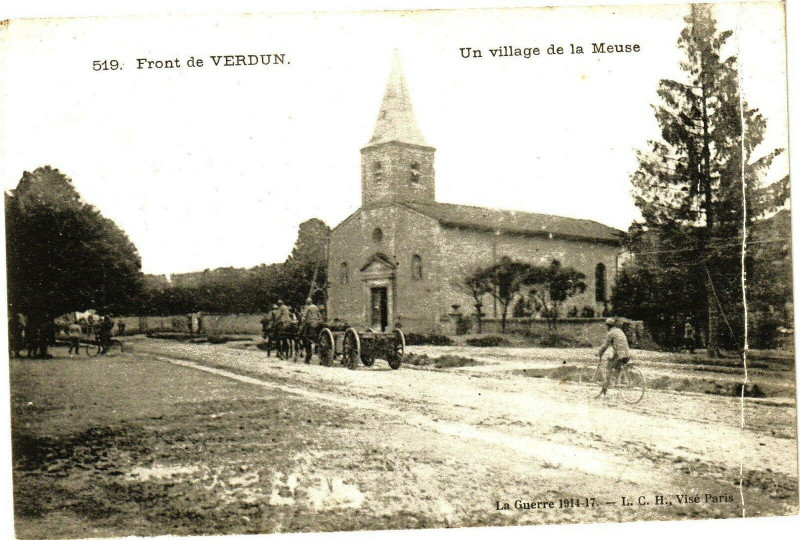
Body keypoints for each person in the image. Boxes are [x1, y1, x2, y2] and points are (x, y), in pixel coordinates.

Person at [597, 317, 631, 396]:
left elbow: (605, 346)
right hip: (627, 354)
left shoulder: (611, 333)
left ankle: (605, 388)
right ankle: (617, 383)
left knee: (609, 367)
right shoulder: (619, 331)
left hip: (620, 355)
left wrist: (599, 353)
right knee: (616, 366)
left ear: (608, 326)